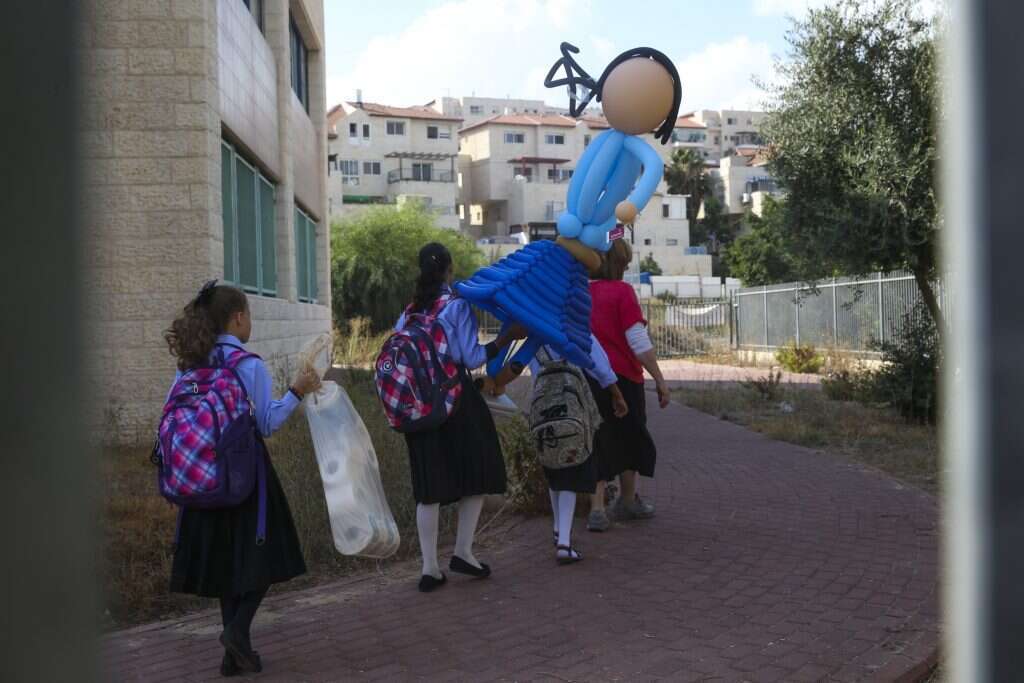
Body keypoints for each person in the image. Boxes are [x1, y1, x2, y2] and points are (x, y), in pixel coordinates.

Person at [163, 282, 321, 677]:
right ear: (237, 318)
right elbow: (267, 422)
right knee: (266, 558)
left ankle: (234, 654)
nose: (250, 322)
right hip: (246, 479)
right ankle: (236, 632)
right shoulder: (247, 365)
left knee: (224, 566)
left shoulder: (188, 365)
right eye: (248, 315)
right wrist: (297, 391)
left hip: (200, 479)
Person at [396, 243, 527, 592]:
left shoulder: (409, 313)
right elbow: (471, 358)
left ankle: (428, 568)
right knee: (479, 470)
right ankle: (463, 552)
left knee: (429, 487)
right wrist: (504, 338)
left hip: (419, 404)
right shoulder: (457, 306)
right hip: (455, 400)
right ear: (449, 271)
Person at [587, 240, 671, 532]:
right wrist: (659, 378)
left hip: (590, 377)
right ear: (620, 264)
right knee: (630, 435)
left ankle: (596, 508)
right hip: (624, 376)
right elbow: (637, 340)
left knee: (597, 437)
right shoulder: (622, 292)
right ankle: (627, 500)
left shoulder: (581, 292)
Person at [528, 336, 627, 564]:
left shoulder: (533, 333)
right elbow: (600, 366)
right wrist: (617, 394)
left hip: (544, 415)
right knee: (572, 473)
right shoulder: (576, 330)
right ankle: (564, 541)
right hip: (574, 413)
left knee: (553, 467)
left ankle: (557, 528)